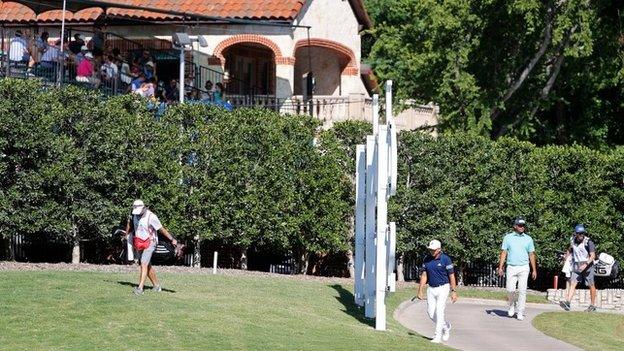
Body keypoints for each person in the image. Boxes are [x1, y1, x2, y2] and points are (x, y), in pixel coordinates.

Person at [125, 200, 177, 295]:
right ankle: (157, 286)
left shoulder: (151, 217)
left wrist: (172, 239)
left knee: (143, 264)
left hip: (150, 242)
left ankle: (140, 289)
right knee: (147, 265)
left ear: (143, 208)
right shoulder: (134, 215)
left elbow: (161, 229)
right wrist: (127, 233)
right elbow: (130, 224)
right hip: (139, 242)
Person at [417, 239, 458, 344]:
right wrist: (420, 290)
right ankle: (446, 326)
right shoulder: (426, 259)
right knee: (431, 313)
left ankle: (437, 336)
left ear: (439, 250)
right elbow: (424, 275)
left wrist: (453, 291)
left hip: (443, 288)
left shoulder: (446, 259)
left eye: (433, 250)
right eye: (430, 249)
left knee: (439, 312)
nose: (431, 251)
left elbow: (451, 275)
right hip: (431, 288)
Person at [497, 217, 537, 321]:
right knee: (510, 290)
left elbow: (531, 254)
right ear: (515, 226)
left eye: (523, 225)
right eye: (520, 225)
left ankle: (520, 311)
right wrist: (500, 267)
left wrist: (534, 269)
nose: (522, 227)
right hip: (511, 266)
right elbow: (504, 252)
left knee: (522, 291)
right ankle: (511, 305)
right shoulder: (508, 237)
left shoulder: (528, 239)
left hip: (524, 267)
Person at [559, 224, 597, 312]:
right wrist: (566, 257)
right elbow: (570, 249)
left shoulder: (588, 242)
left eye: (583, 233)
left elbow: (593, 255)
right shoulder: (572, 240)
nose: (581, 235)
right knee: (573, 283)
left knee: (591, 285)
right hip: (576, 265)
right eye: (579, 234)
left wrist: (586, 264)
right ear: (575, 233)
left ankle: (592, 305)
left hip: (588, 266)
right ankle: (568, 303)